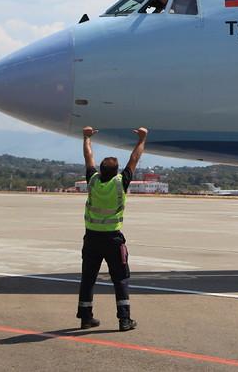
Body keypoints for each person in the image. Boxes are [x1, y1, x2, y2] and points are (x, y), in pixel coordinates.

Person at [77, 125, 148, 332]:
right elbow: (134, 160)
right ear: (117, 172)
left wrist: (86, 138)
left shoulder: (92, 181)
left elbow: (88, 158)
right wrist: (142, 140)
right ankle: (124, 320)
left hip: (91, 238)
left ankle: (85, 317)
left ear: (100, 170)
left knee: (88, 279)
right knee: (120, 279)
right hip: (113, 239)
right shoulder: (120, 183)